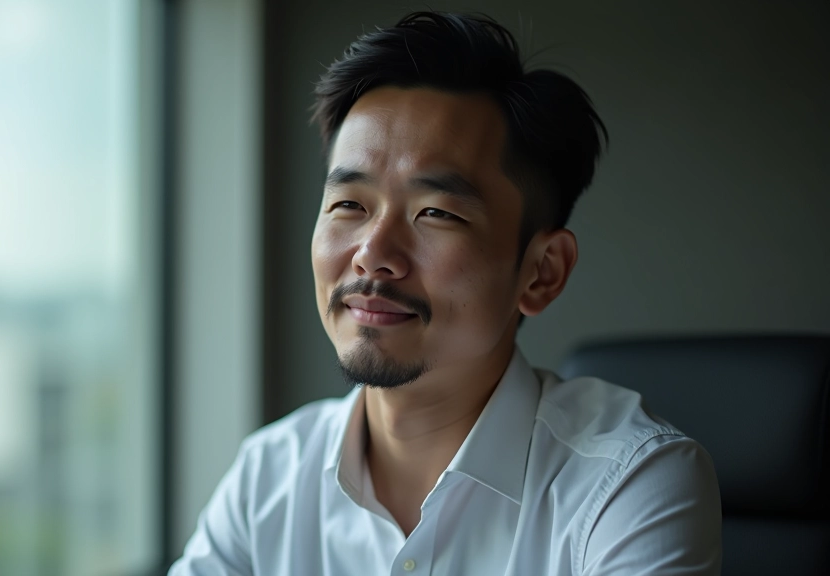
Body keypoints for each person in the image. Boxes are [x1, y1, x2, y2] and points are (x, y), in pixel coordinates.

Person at [169, 11, 721, 576]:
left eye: (435, 212)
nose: (372, 253)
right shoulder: (268, 477)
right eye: (349, 205)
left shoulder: (628, 486)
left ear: (542, 272)